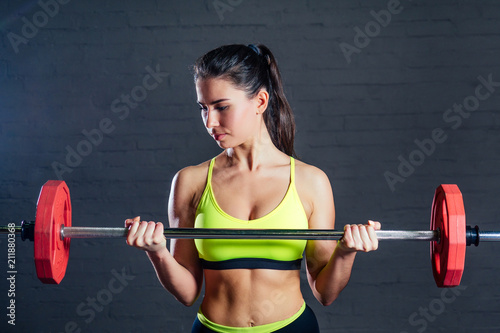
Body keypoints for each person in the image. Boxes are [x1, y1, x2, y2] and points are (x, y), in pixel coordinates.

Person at [125, 44, 381, 332]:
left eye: (221, 107)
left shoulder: (311, 182)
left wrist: (346, 252)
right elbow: (187, 294)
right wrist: (157, 251)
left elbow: (325, 293)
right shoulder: (190, 181)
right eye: (203, 108)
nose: (210, 122)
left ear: (260, 101)